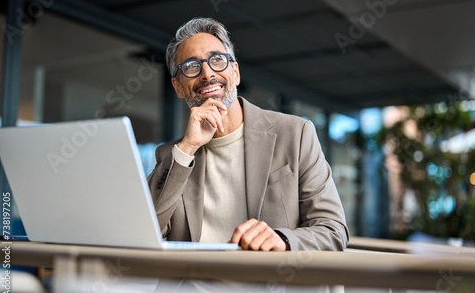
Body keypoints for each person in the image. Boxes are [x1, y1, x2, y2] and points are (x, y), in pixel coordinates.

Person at [147, 17, 349, 251]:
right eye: (191, 66)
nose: (206, 73)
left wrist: (282, 240)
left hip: (269, 282)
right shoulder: (173, 156)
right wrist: (188, 147)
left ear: (235, 72)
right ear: (178, 87)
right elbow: (146, 230)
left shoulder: (296, 134)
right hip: (193, 285)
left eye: (217, 60)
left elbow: (332, 230)